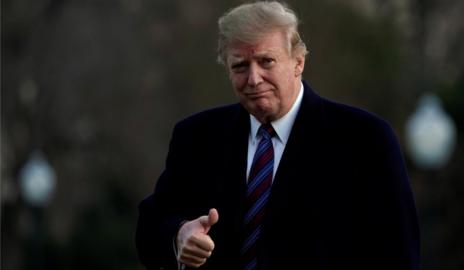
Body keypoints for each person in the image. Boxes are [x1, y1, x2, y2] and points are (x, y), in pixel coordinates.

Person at [135, 1, 420, 270]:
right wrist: (179, 235)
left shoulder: (364, 140)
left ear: (298, 63)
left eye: (266, 61)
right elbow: (150, 228)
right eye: (240, 66)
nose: (254, 78)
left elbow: (398, 255)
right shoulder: (197, 137)